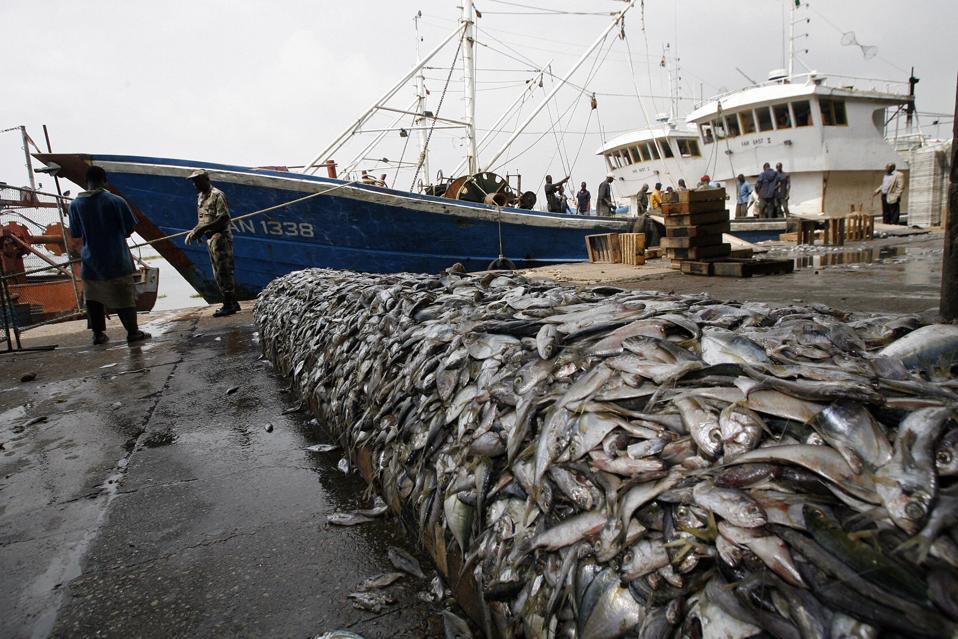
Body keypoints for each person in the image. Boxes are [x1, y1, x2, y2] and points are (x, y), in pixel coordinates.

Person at [68, 165, 150, 345]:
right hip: (116, 259)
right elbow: (129, 229)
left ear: (86, 181)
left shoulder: (75, 205)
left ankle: (98, 335)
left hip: (90, 261)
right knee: (124, 296)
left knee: (93, 298)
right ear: (105, 180)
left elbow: (75, 233)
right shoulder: (116, 201)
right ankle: (132, 332)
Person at [186, 169, 240, 317]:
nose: (195, 184)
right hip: (210, 239)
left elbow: (224, 218)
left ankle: (228, 305)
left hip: (220, 237)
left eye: (197, 181)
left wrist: (203, 229)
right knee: (217, 272)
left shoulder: (217, 195)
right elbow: (203, 219)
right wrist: (196, 231)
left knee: (224, 271)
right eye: (193, 182)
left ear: (206, 180)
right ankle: (233, 302)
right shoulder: (200, 196)